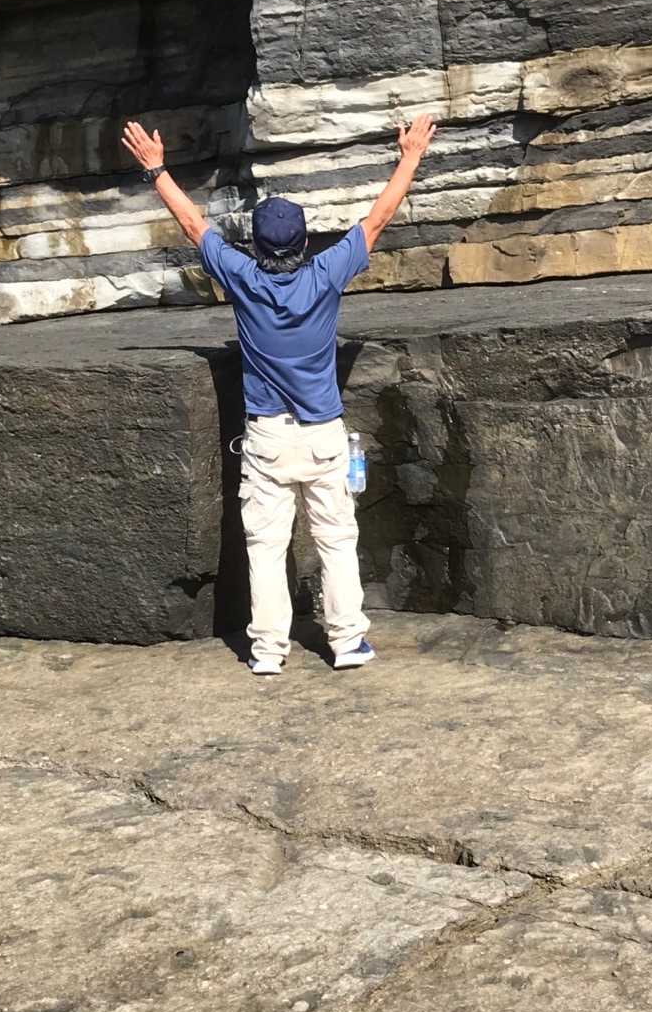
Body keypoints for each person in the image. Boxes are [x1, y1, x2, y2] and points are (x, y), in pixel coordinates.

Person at [121, 114, 437, 674]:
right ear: (305, 242)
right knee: (336, 540)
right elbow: (379, 218)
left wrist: (157, 169)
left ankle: (268, 651)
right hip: (322, 435)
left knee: (265, 549)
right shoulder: (326, 274)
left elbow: (194, 225)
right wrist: (410, 155)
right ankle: (347, 643)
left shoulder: (243, 278)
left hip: (267, 436)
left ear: (256, 245)